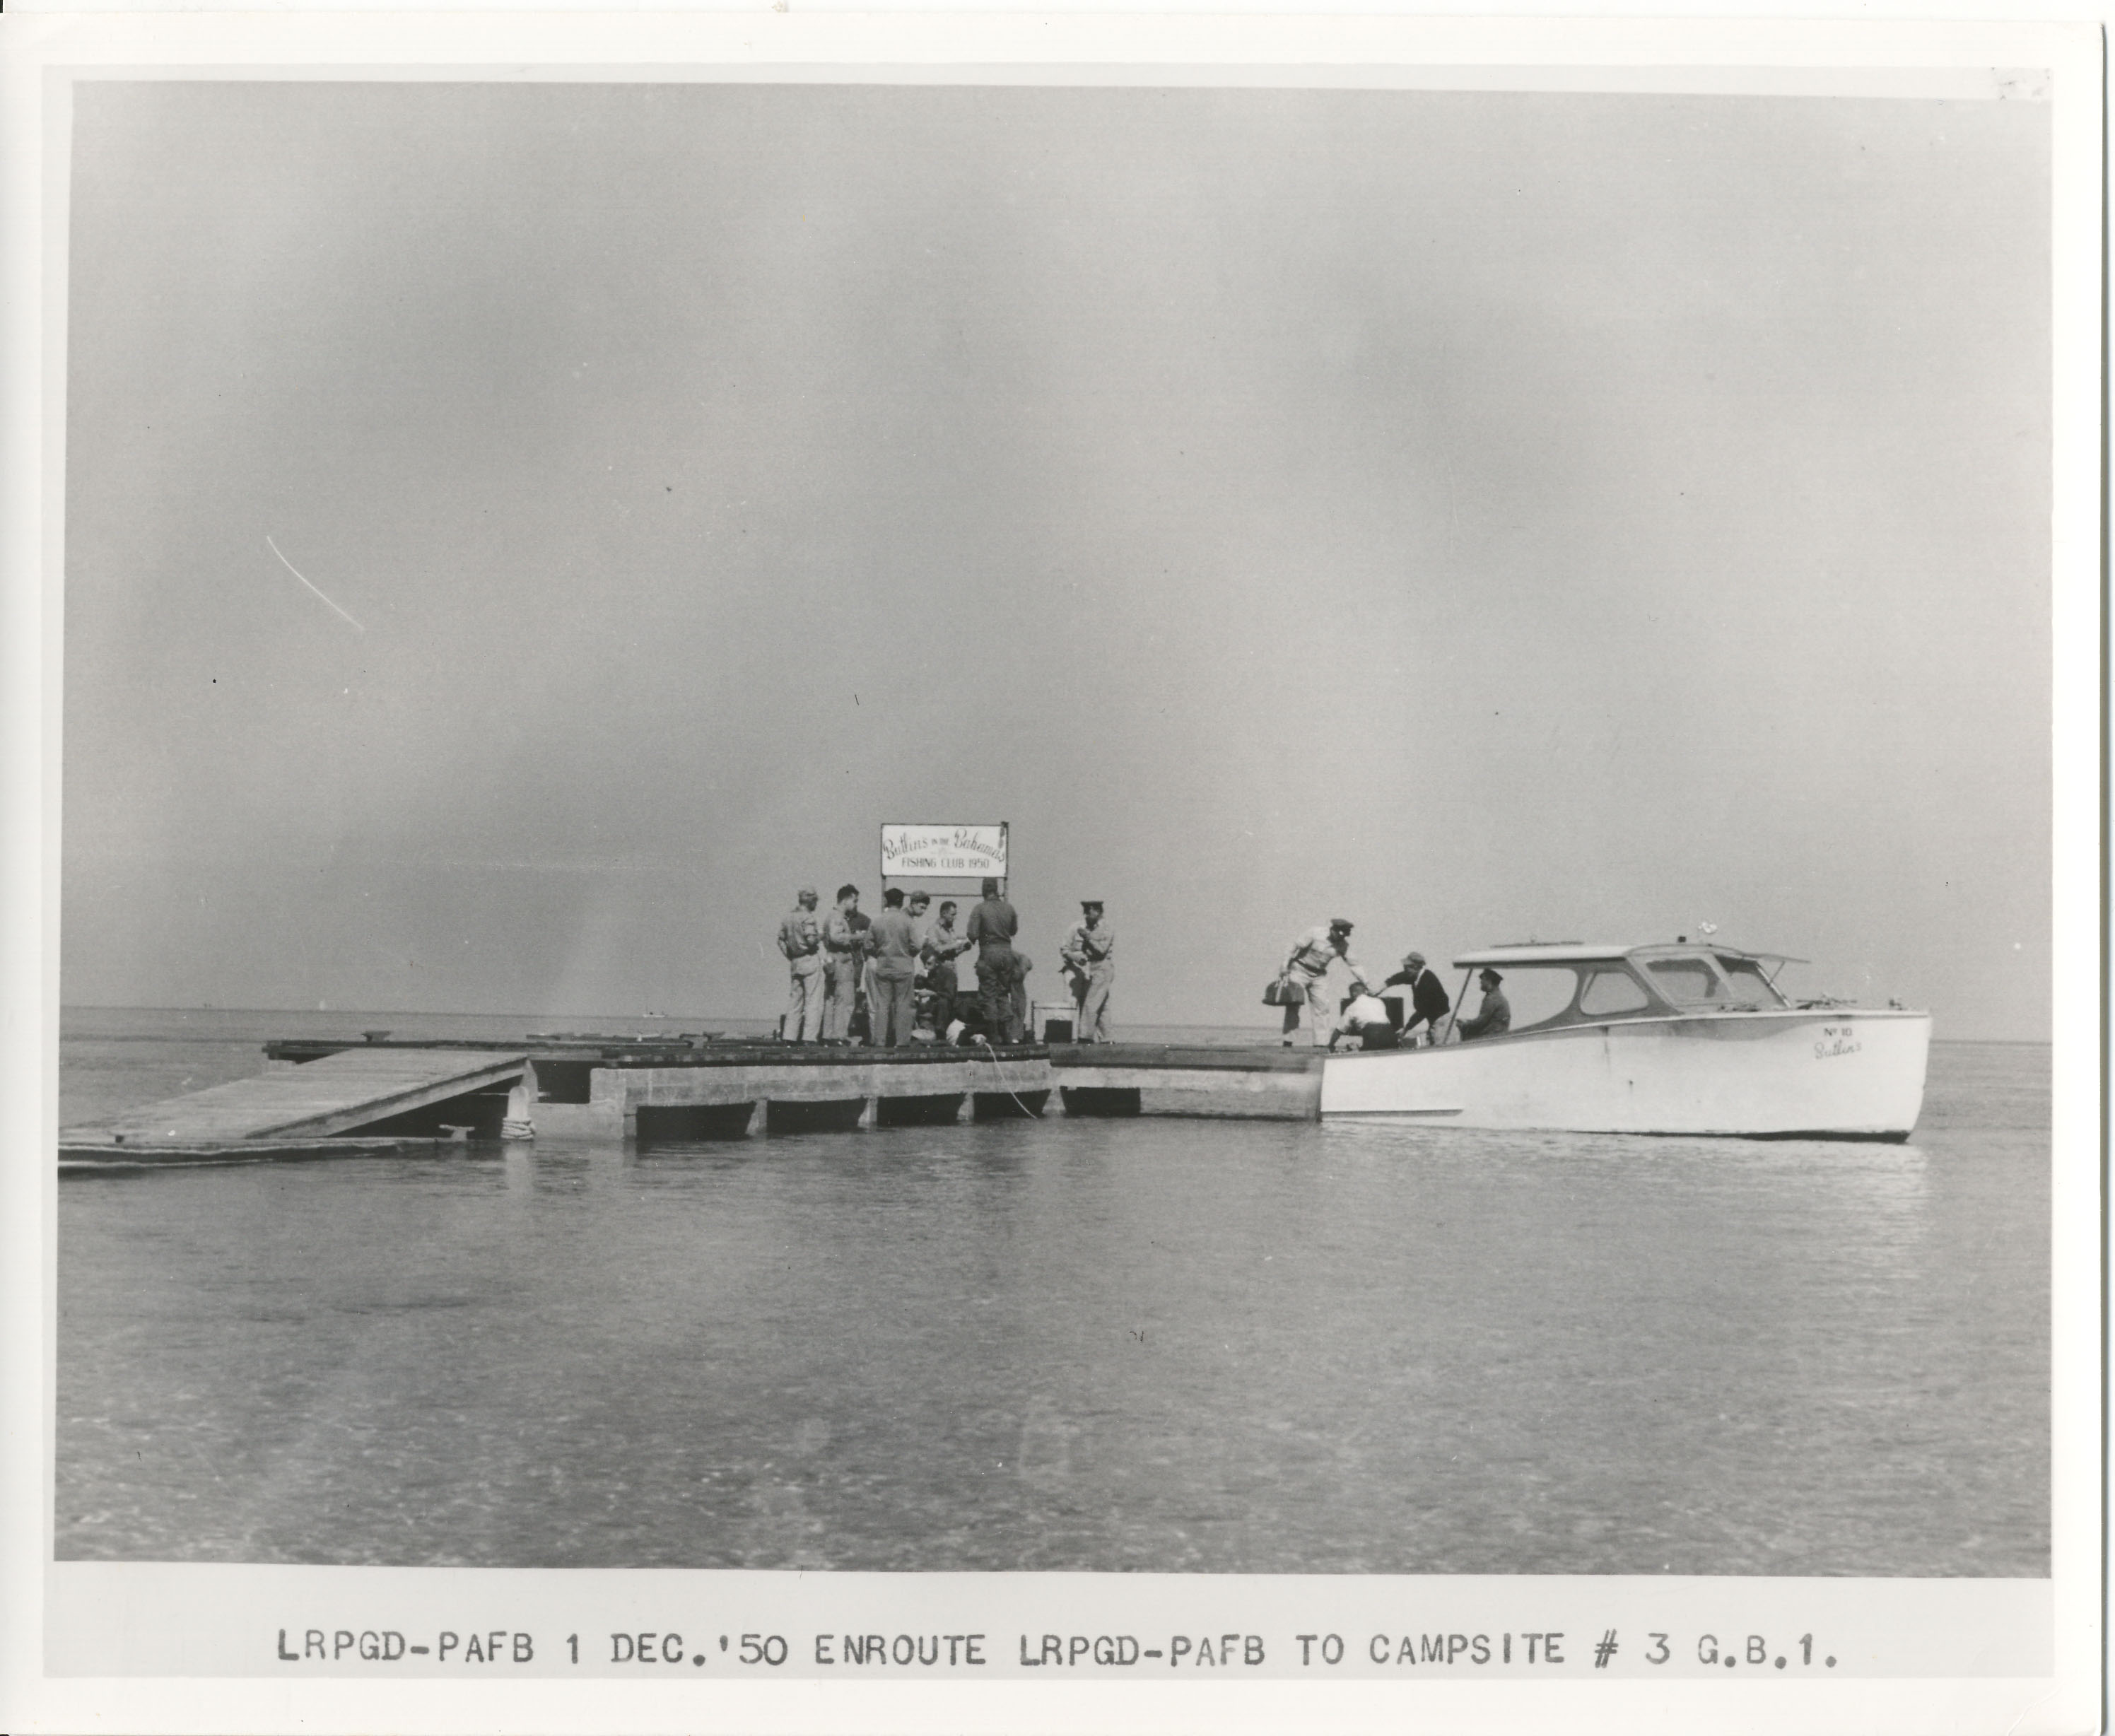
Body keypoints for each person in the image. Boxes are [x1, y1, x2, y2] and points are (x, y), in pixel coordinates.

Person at [1279, 917, 1371, 1048]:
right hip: (1299, 970)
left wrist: (1367, 983)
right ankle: (1288, 1042)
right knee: (1293, 1005)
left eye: (1345, 935)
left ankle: (1320, 1044)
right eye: (1340, 934)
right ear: (1333, 929)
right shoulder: (1315, 932)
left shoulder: (1343, 945)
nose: (1341, 938)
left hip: (1319, 975)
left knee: (1322, 1008)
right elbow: (1293, 947)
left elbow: (1355, 965)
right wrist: (1284, 966)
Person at [965, 876, 1022, 1043]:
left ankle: (994, 1035)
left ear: (984, 891)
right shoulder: (1009, 908)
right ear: (997, 890)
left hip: (988, 952)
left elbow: (972, 935)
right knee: (1003, 992)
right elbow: (1013, 931)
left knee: (988, 994)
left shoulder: (980, 909)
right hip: (1006, 953)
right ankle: (1008, 1034)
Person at [863, 888, 920, 1047]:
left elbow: (868, 945)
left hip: (884, 967)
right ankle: (902, 1041)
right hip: (904, 967)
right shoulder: (908, 921)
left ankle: (879, 1041)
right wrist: (908, 954)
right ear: (902, 902)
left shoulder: (877, 921)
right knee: (904, 1006)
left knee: (882, 1005)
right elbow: (917, 945)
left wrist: (881, 952)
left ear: (886, 901)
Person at [1059, 901, 1116, 1043]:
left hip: (1100, 968)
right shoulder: (1076, 927)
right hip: (1084, 969)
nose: (1090, 915)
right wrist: (1076, 958)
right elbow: (1064, 949)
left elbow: (1102, 950)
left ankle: (1086, 1037)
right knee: (1098, 1004)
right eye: (1089, 911)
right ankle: (1105, 1038)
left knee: (1092, 1003)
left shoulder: (1106, 928)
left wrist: (1087, 937)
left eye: (1093, 911)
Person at [776, 885, 826, 1043]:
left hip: (795, 962)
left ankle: (789, 1036)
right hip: (809, 959)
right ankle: (809, 1038)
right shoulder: (808, 918)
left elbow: (780, 940)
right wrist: (822, 936)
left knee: (795, 1001)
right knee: (813, 1001)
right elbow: (811, 940)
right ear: (811, 901)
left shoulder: (788, 917)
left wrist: (790, 956)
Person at [920, 898, 971, 1038]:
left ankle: (948, 1032)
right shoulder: (934, 929)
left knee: (950, 1001)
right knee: (941, 1000)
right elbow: (935, 949)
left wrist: (963, 948)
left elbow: (952, 952)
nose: (954, 918)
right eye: (952, 914)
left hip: (951, 968)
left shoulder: (951, 930)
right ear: (944, 913)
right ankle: (938, 1031)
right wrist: (955, 945)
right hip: (939, 970)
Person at [820, 884, 865, 1043]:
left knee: (831, 999)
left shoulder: (831, 916)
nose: (855, 905)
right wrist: (855, 938)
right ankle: (838, 1036)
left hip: (832, 959)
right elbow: (835, 937)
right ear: (846, 900)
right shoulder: (838, 917)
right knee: (845, 1000)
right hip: (842, 961)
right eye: (854, 901)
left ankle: (828, 1034)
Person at [1381, 951, 1451, 1045]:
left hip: (1441, 1023)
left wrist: (1407, 1028)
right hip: (1435, 1021)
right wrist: (1386, 984)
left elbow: (1422, 1011)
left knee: (1440, 1049)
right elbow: (1401, 977)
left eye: (1406, 968)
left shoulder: (1427, 981)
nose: (1405, 971)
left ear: (1416, 967)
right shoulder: (1419, 976)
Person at [1328, 989, 1400, 1051]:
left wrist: (1330, 1045)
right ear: (1365, 992)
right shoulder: (1379, 1001)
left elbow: (1339, 1030)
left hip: (1372, 1033)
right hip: (1390, 1032)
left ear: (1353, 993)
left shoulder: (1352, 1006)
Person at [1457, 967, 1512, 1041]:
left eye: (1483, 979)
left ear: (1489, 981)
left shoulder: (1493, 998)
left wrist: (1464, 1025)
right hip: (1498, 1036)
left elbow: (1480, 1022)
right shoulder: (1498, 996)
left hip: (1491, 1038)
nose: (1481, 982)